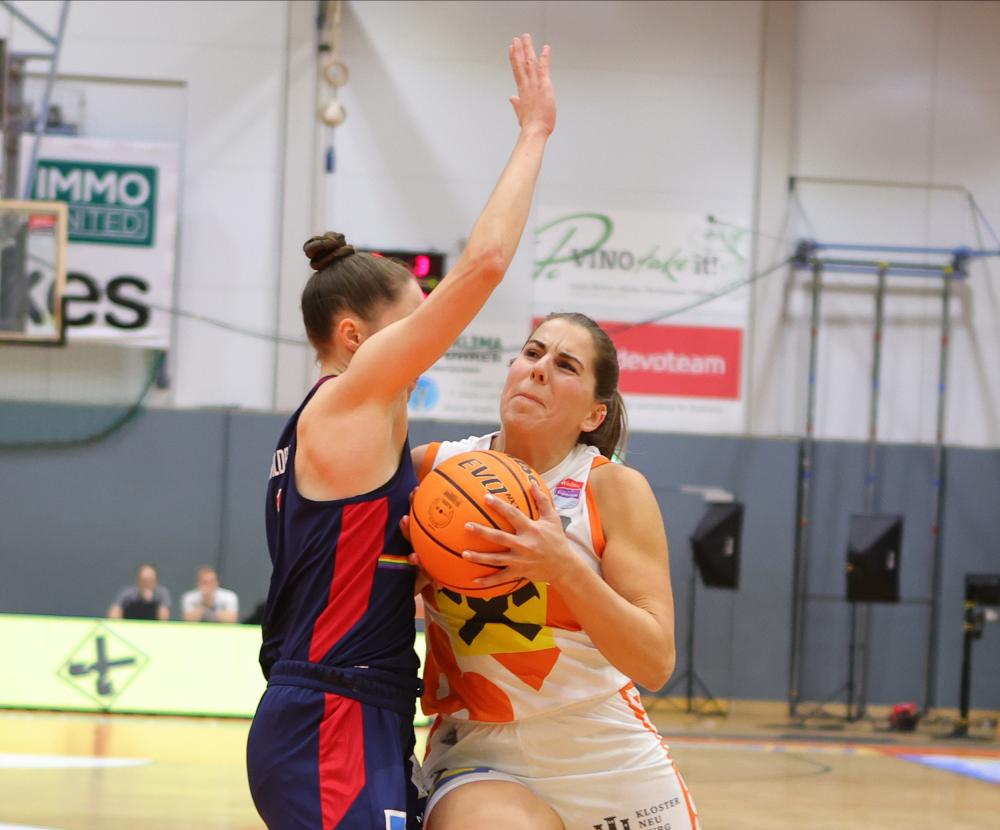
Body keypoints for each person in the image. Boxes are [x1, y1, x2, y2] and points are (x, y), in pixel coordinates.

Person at [246, 34, 556, 830]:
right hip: (329, 717)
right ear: (354, 337)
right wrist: (534, 135)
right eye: (411, 326)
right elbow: (484, 265)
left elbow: (353, 568)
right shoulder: (350, 400)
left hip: (357, 709)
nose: (427, 342)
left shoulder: (343, 428)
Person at [409, 312, 700, 830]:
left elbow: (656, 662)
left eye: (566, 365)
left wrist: (564, 567)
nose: (539, 368)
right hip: (480, 751)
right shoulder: (432, 472)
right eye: (532, 353)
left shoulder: (613, 489)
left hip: (605, 747)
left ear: (593, 414)